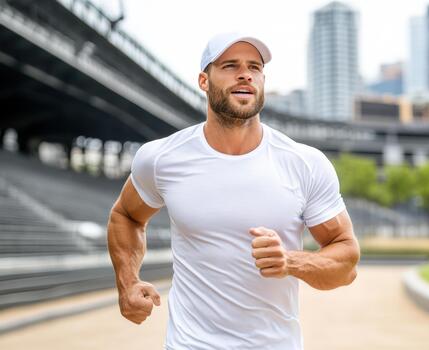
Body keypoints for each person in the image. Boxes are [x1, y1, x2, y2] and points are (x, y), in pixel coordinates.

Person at [107, 32, 360, 350]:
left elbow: (346, 260)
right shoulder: (162, 158)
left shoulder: (305, 163)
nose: (245, 74)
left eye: (254, 67)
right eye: (230, 65)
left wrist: (290, 262)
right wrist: (127, 282)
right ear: (203, 80)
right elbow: (126, 215)